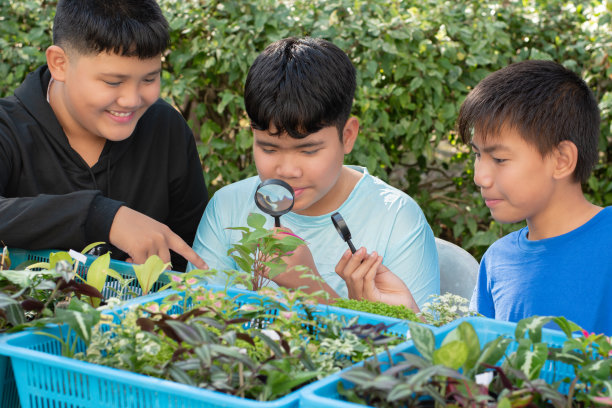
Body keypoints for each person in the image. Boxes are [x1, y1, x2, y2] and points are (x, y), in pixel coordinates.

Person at [189, 37, 439, 310]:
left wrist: (310, 287)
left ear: (348, 135)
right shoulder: (227, 206)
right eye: (269, 148)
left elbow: (418, 344)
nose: (287, 170)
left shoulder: (397, 218)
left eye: (308, 151)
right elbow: (195, 317)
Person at [0, 0, 208, 271]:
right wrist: (102, 217)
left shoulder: (165, 129)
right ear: (59, 63)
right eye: (113, 82)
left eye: (148, 79)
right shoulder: (8, 128)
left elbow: (191, 252)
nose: (132, 100)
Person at [457, 60, 611, 334]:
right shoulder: (496, 260)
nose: (480, 177)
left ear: (561, 160)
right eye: (478, 155)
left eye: (500, 158)